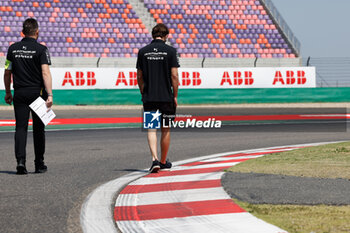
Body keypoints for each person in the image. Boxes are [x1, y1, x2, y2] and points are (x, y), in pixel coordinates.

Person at [3, 18, 53, 175]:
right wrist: (50, 94)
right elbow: (45, 72)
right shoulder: (41, 49)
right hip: (37, 94)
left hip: (20, 93)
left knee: (20, 128)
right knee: (39, 129)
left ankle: (20, 163)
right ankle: (39, 164)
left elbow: (7, 72)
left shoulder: (13, 49)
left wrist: (7, 92)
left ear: (22, 32)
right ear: (37, 32)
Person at [136, 23, 180, 173]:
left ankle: (154, 159)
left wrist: (143, 92)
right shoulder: (171, 51)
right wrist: (175, 96)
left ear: (153, 35)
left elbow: (139, 76)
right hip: (166, 97)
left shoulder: (143, 51)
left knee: (151, 129)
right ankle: (163, 161)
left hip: (150, 96)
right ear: (166, 36)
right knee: (165, 129)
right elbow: (174, 75)